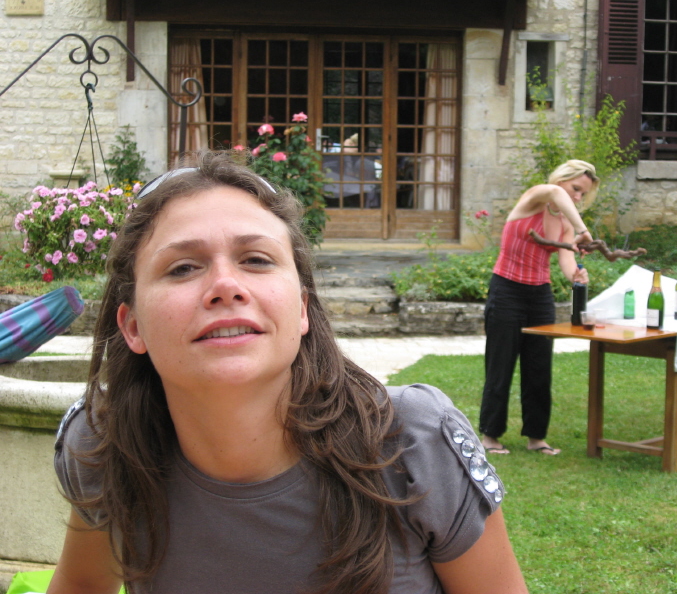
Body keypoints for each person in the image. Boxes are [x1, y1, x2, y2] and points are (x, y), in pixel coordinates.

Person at [48, 153, 528, 594]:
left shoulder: (412, 442)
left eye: (256, 260)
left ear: (301, 309)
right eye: (183, 268)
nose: (225, 286)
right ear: (132, 326)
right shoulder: (104, 442)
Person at [479, 160, 599, 456]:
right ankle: (490, 436)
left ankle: (536, 437)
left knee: (539, 368)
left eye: (583, 194)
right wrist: (584, 229)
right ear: (561, 180)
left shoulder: (565, 222)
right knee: (500, 365)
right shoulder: (535, 197)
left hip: (540, 296)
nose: (577, 197)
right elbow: (555, 194)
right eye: (575, 189)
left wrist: (576, 275)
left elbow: (565, 258)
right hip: (506, 290)